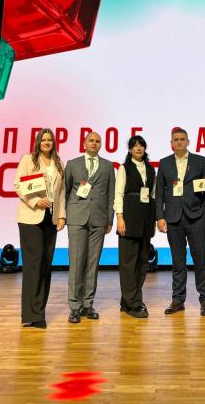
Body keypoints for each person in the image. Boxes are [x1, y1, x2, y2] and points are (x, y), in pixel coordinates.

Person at [156, 127, 205, 316]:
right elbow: (159, 193)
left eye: (182, 139)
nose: (179, 142)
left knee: (201, 259)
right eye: (176, 139)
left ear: (188, 142)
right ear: (171, 143)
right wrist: (160, 216)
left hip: (196, 217)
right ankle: (178, 300)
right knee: (177, 261)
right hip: (173, 218)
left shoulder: (200, 161)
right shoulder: (164, 163)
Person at [14, 127, 66, 329]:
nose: (46, 142)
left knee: (45, 264)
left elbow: (61, 192)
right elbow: (18, 185)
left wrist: (61, 216)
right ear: (38, 142)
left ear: (54, 143)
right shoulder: (29, 159)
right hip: (31, 218)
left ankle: (39, 311)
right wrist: (36, 201)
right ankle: (31, 314)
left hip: (50, 219)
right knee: (33, 264)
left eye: (49, 140)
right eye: (43, 139)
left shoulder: (59, 163)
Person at [65, 131, 115, 323]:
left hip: (99, 219)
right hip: (77, 217)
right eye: (91, 141)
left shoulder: (108, 166)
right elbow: (66, 191)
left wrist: (109, 219)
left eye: (97, 141)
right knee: (76, 262)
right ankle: (74, 307)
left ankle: (88, 304)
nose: (94, 143)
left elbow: (110, 194)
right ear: (84, 143)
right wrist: (65, 215)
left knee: (93, 263)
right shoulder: (73, 164)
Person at [114, 135, 156, 318]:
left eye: (141, 145)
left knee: (142, 262)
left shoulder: (151, 169)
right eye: (135, 146)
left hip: (146, 220)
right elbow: (118, 194)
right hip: (129, 218)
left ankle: (128, 300)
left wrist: (155, 220)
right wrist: (119, 217)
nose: (138, 148)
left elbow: (153, 195)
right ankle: (134, 303)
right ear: (130, 150)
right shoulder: (124, 168)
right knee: (128, 263)